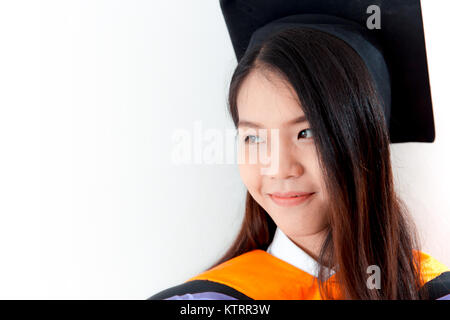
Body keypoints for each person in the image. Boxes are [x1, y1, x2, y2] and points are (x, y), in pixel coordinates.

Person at [149, 1, 450, 300]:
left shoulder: (432, 291)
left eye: (307, 133)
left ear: (365, 141)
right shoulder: (201, 302)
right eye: (253, 137)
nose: (278, 168)